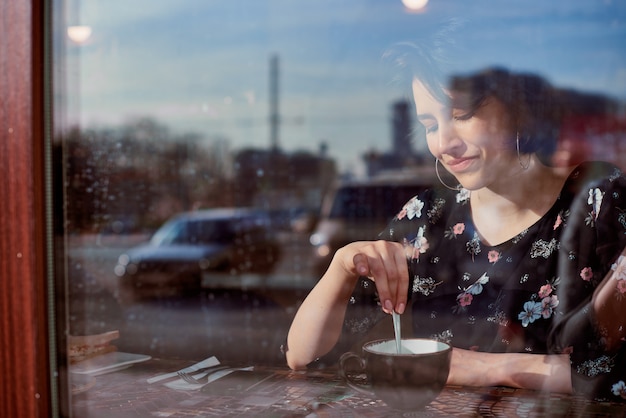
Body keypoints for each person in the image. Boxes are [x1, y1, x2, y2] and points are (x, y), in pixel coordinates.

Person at [284, 39, 626, 401]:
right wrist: (342, 267)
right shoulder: (427, 218)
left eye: (461, 116)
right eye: (430, 125)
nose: (444, 142)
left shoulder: (599, 205)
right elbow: (302, 358)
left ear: (519, 110)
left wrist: (490, 369)